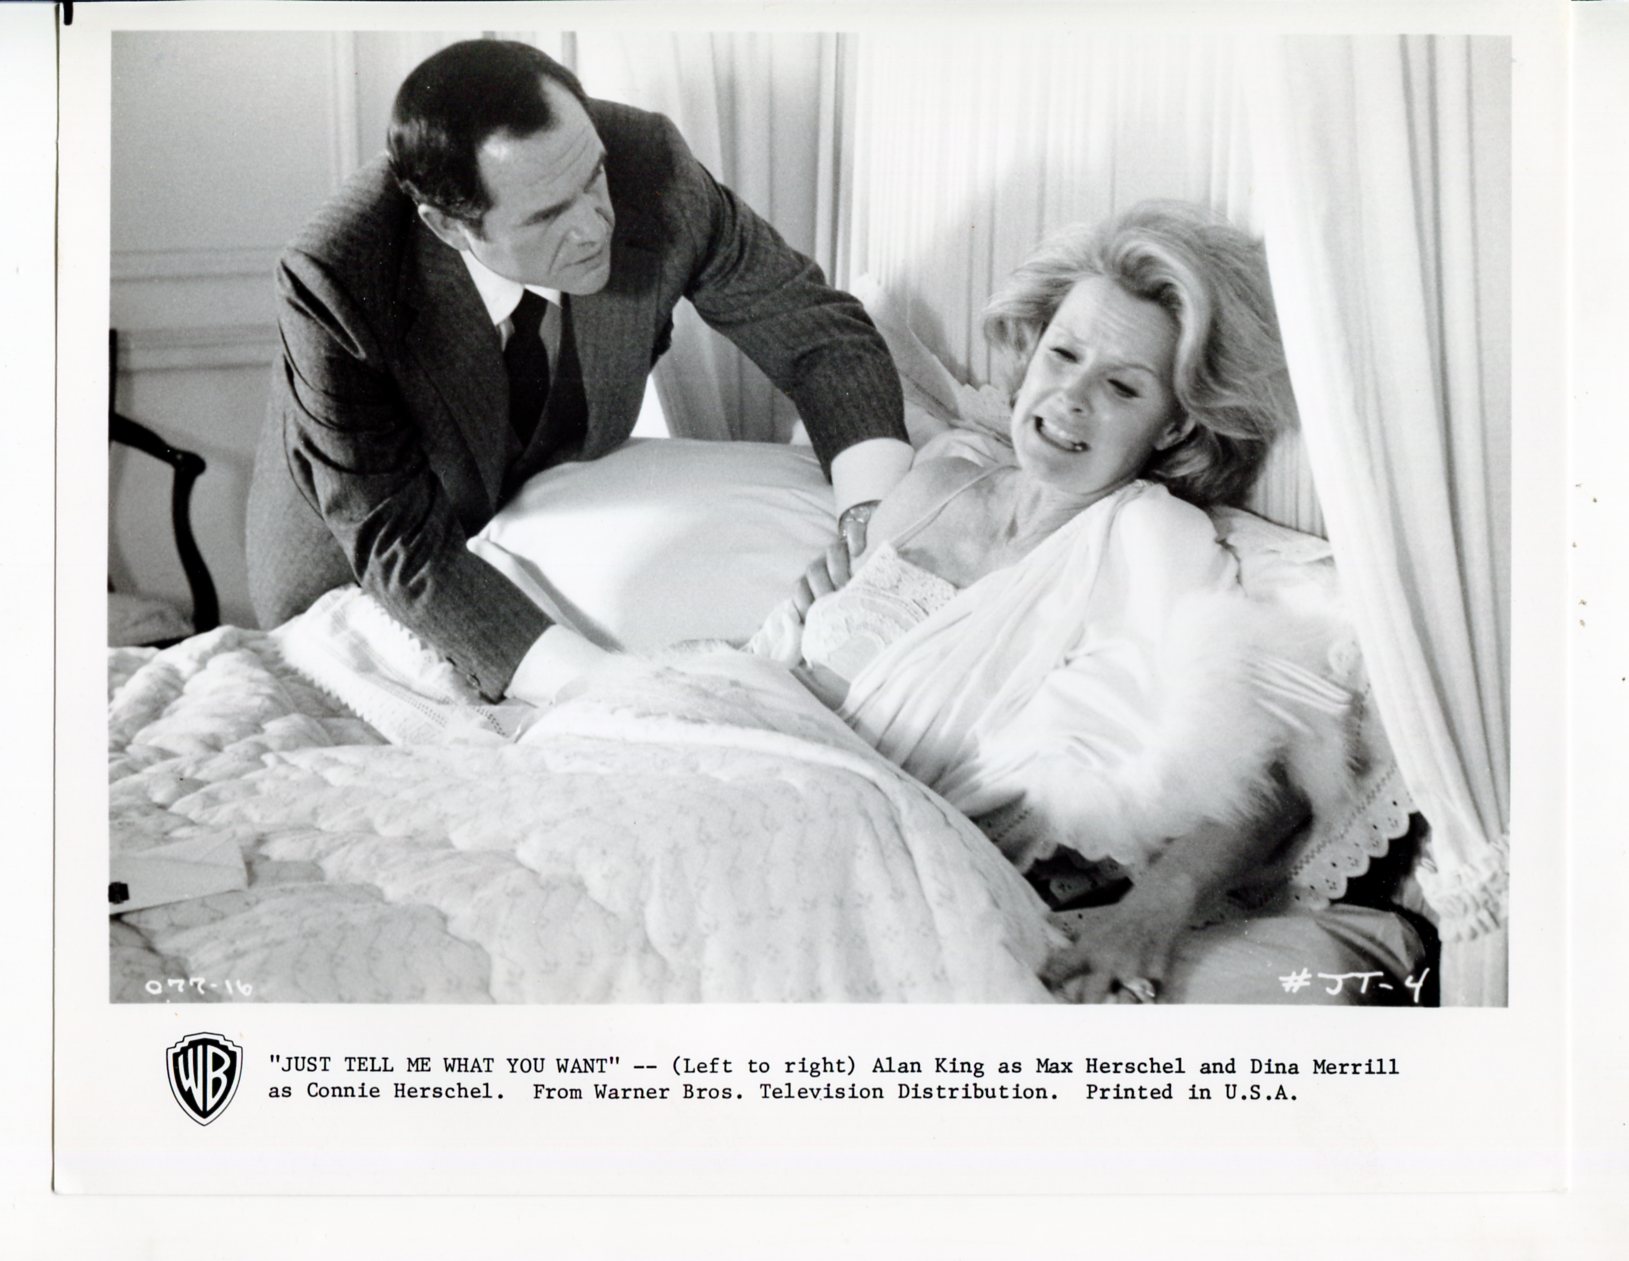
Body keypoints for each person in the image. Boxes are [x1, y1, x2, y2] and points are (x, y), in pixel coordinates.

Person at [751, 201, 1425, 1004]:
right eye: (1063, 353)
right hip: (756, 776)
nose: (1070, 396)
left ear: (1171, 427)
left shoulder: (1149, 537)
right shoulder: (938, 479)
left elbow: (1271, 759)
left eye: (1121, 386)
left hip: (875, 863)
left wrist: (1153, 909)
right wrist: (800, 621)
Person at [246, 40, 911, 707]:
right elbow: (401, 548)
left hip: (533, 499)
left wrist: (870, 522)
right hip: (359, 550)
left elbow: (819, 336)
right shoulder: (337, 278)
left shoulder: (649, 162)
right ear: (448, 228)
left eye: (592, 178)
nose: (596, 226)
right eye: (546, 215)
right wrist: (610, 691)